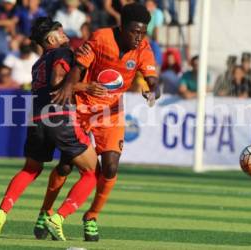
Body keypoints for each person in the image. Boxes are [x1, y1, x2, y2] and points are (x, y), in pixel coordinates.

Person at [34, 3, 160, 242]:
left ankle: (91, 217)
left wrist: (152, 90)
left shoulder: (143, 47)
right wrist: (69, 86)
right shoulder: (101, 37)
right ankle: (45, 211)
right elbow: (78, 68)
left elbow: (153, 79)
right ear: (122, 27)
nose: (139, 37)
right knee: (66, 166)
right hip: (82, 107)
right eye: (135, 31)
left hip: (111, 113)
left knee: (111, 166)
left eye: (143, 32)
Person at [0, 17, 98, 241]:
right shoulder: (63, 53)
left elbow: (47, 85)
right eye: (61, 31)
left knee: (30, 170)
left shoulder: (38, 64)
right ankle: (58, 218)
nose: (65, 35)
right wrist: (84, 86)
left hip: (37, 119)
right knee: (92, 173)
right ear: (51, 38)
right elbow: (58, 79)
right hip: (61, 118)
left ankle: (1, 213)